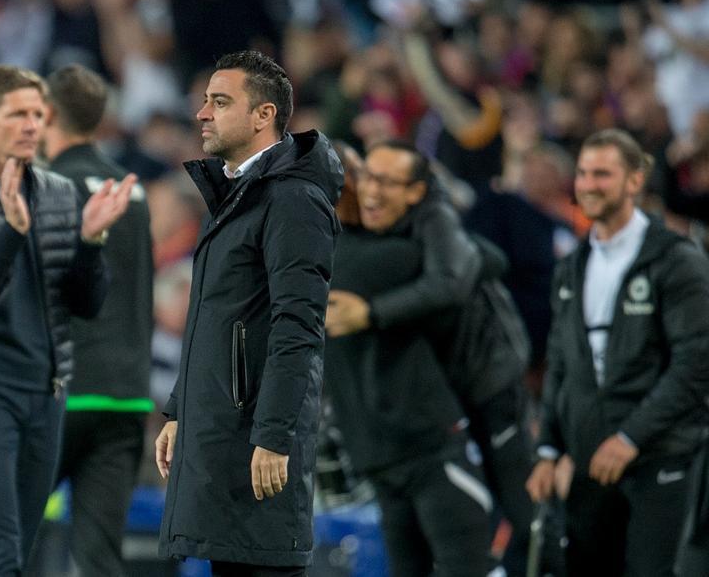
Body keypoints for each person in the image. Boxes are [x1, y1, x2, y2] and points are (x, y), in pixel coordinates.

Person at [0, 63, 135, 576]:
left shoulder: (61, 193)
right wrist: (11, 232)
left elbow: (86, 304)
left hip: (46, 388)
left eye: (38, 114)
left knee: (23, 545)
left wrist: (91, 242)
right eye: (17, 114)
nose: (32, 125)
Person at [155, 50, 341, 577]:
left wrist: (274, 435)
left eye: (219, 101)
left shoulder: (294, 199)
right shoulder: (241, 195)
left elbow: (298, 325)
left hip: (257, 440)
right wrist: (180, 410)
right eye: (205, 101)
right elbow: (218, 320)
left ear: (263, 115)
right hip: (225, 434)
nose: (202, 114)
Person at [526, 128, 709, 576]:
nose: (588, 184)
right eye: (584, 173)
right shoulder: (572, 266)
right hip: (591, 461)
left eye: (602, 174)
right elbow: (563, 363)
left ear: (634, 180)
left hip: (659, 458)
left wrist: (631, 438)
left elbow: (697, 361)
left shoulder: (676, 259)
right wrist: (549, 447)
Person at [323, 141, 498, 577]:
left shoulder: (311, 262)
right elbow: (487, 260)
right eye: (363, 177)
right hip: (424, 444)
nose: (370, 190)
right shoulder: (385, 256)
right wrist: (433, 217)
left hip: (380, 452)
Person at [41, 64, 154, 577]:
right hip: (126, 390)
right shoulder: (132, 191)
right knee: (99, 560)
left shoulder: (45, 188)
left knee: (8, 539)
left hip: (60, 391)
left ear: (45, 115)